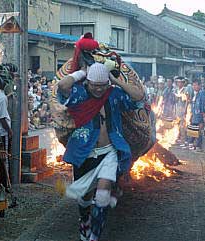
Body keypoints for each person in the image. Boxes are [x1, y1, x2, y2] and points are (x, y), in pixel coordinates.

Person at [57, 63, 143, 241]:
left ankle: (95, 236)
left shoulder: (113, 94)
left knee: (103, 192)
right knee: (85, 197)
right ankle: (84, 219)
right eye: (94, 85)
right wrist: (82, 72)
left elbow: (138, 96)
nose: (98, 89)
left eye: (102, 85)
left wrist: (115, 81)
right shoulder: (80, 94)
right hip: (84, 152)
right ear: (87, 82)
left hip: (109, 151)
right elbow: (62, 86)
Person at [187, 79, 205, 150]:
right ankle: (193, 145)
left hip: (200, 115)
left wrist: (204, 115)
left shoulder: (202, 93)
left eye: (195, 85)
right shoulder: (195, 93)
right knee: (194, 130)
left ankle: (198, 146)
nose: (194, 86)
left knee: (199, 131)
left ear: (199, 85)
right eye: (193, 85)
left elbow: (203, 105)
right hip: (194, 115)